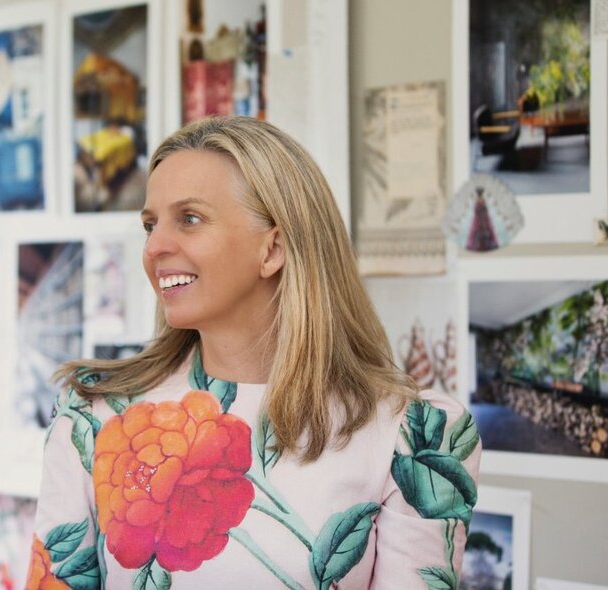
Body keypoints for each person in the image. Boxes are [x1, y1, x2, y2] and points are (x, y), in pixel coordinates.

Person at [26, 116, 481, 589]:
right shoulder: (91, 414)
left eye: (190, 219)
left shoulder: (416, 439)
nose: (156, 246)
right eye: (150, 224)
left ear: (274, 249)